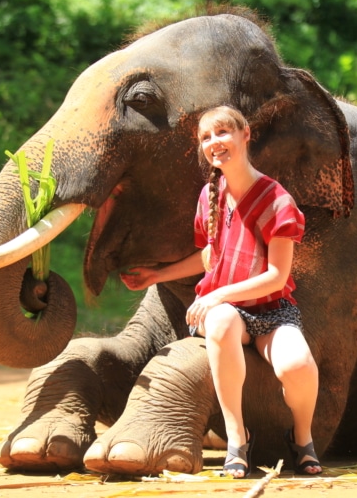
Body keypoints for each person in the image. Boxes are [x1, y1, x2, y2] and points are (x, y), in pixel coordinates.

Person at [120, 106, 322, 478]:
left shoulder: (277, 201)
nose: (215, 142)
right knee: (220, 322)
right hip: (228, 313)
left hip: (271, 309)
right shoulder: (209, 197)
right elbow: (211, 256)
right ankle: (237, 438)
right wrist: (158, 275)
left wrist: (216, 295)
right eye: (206, 137)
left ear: (246, 135)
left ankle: (302, 437)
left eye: (223, 132)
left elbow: (277, 277)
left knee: (297, 366)